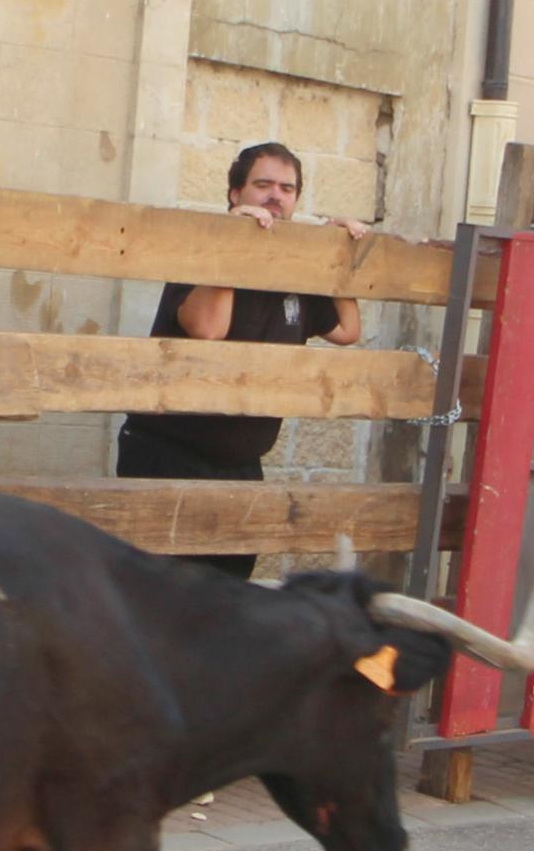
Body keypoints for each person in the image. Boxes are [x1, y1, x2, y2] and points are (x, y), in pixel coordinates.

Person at [113, 140, 365, 575]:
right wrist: (232, 243)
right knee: (161, 596)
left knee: (228, 594)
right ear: (235, 194)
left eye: (287, 188)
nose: (275, 196)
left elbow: (347, 330)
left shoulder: (296, 269)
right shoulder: (204, 253)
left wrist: (335, 253)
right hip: (170, 459)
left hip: (241, 467)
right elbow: (208, 328)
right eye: (263, 185)